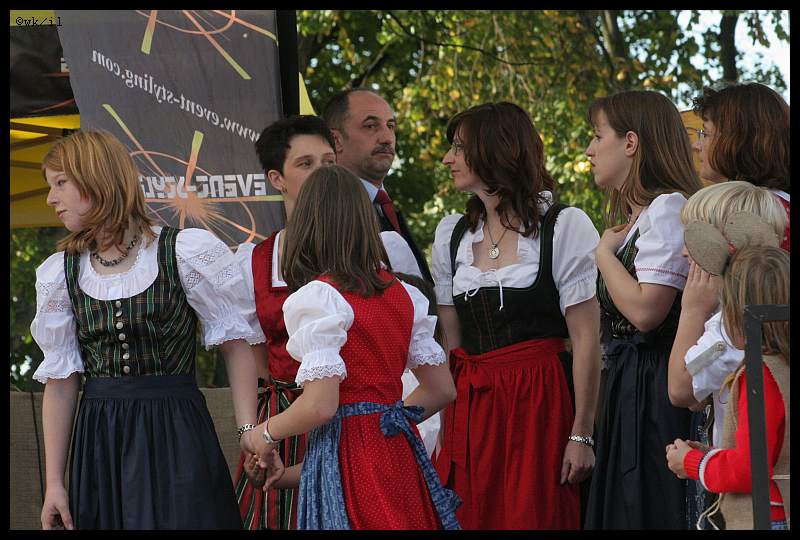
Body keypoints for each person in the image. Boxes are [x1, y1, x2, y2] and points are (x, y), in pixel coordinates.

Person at [31, 129, 259, 530]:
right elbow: (62, 382)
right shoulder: (61, 272)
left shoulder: (181, 251)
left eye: (61, 183)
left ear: (97, 178)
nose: (51, 198)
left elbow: (235, 344)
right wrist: (54, 483)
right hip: (101, 439)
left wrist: (248, 430)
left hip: (177, 431)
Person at [233, 115, 432, 529]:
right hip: (356, 434)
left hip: (318, 422)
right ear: (276, 178)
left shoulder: (323, 293)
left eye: (327, 161)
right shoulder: (401, 293)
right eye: (306, 163)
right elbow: (442, 388)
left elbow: (323, 404)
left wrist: (262, 434)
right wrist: (389, 419)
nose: (319, 173)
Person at [431, 102, 601, 529]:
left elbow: (586, 340)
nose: (448, 158)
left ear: (495, 149)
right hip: (474, 408)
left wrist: (581, 433)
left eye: (459, 148)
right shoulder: (452, 235)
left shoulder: (562, 226)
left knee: (535, 515)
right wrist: (446, 428)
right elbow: (452, 345)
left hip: (540, 402)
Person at [582, 90, 702, 530]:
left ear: (630, 142)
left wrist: (603, 256)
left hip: (655, 390)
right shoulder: (641, 218)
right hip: (631, 384)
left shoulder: (668, 208)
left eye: (598, 136)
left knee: (650, 507)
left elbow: (646, 311)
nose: (590, 150)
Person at [665, 182, 786, 529]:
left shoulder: (731, 328)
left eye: (694, 239)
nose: (685, 252)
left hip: (757, 506)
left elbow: (680, 390)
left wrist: (692, 310)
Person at [322, 88, 433, 282]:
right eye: (371, 126)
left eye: (390, 126)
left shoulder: (386, 207)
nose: (387, 138)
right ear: (336, 140)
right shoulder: (326, 212)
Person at [691, 82, 790, 251]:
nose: (696, 145)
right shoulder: (779, 207)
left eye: (705, 134)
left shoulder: (752, 216)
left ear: (738, 142)